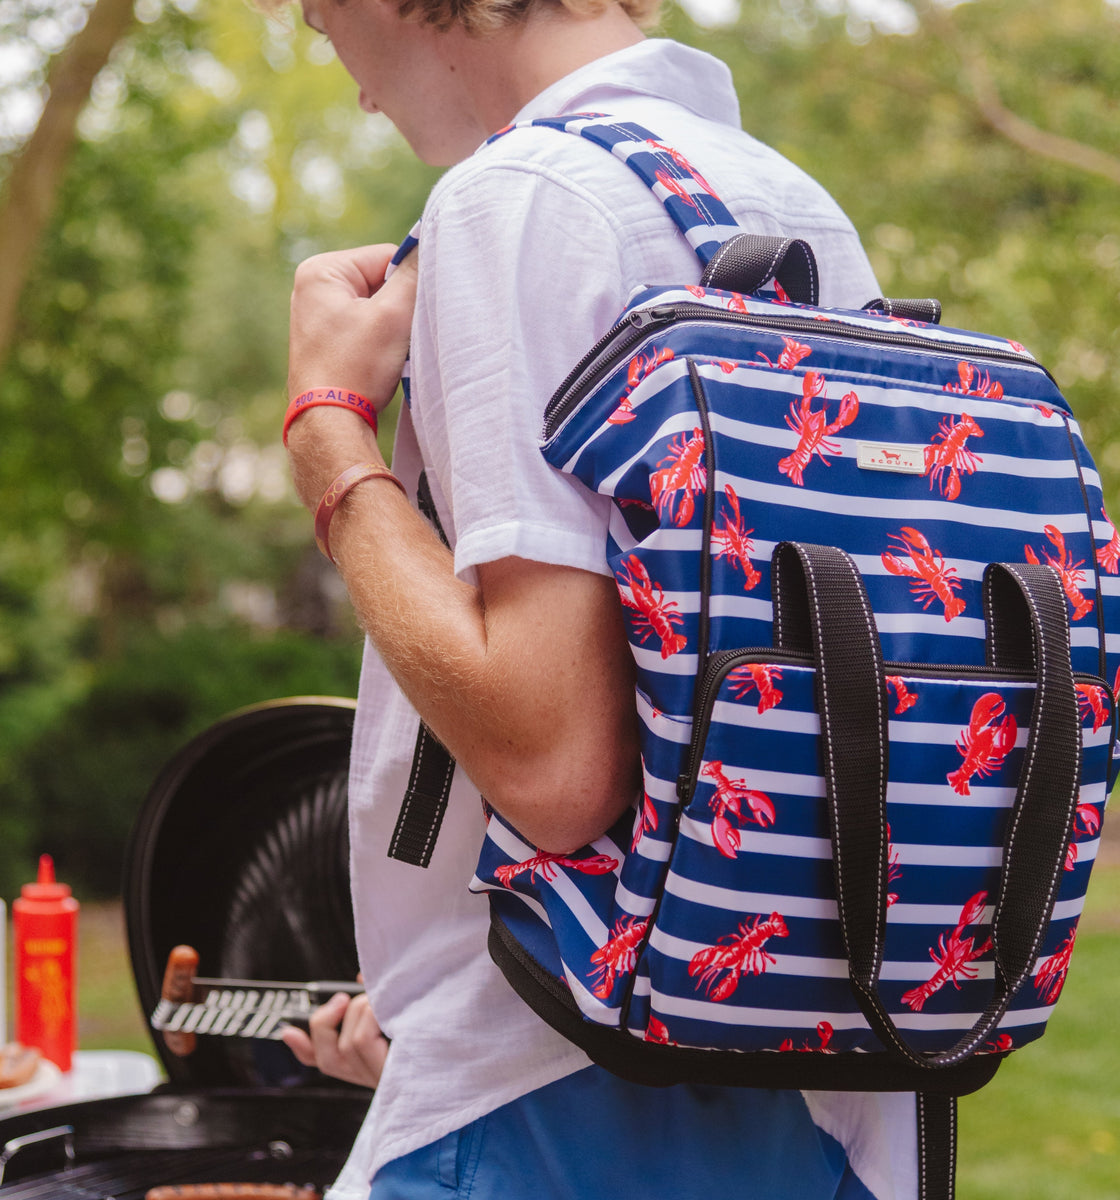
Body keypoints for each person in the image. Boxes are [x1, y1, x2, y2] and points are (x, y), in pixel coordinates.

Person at [275, 0, 918, 1195]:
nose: (352, 79)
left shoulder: (518, 197)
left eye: (318, 24)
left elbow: (554, 768)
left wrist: (327, 437)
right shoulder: (783, 197)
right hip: (813, 1075)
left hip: (550, 1078)